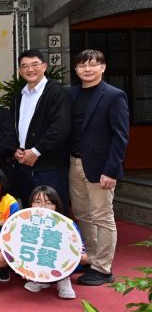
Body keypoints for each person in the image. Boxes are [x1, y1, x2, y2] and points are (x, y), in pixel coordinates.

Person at [68, 49, 129, 286]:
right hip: (74, 163)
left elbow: (120, 136)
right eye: (83, 65)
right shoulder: (71, 94)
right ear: (76, 69)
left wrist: (112, 170)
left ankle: (103, 268)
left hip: (100, 167)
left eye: (93, 64)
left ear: (103, 67)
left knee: (102, 216)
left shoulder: (114, 96)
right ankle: (91, 259)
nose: (88, 69)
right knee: (83, 214)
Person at [12, 49, 71, 206]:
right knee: (29, 213)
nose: (30, 69)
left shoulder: (56, 92)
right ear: (19, 70)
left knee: (53, 213)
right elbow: (15, 127)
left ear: (44, 66)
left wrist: (36, 151)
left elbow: (60, 127)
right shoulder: (19, 96)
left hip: (49, 167)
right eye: (24, 66)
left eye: (34, 64)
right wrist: (16, 149)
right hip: (24, 165)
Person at [22, 185, 85, 299]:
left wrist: (76, 255)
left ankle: (63, 280)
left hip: (61, 262)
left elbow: (83, 255)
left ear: (56, 206)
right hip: (37, 259)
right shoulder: (22, 222)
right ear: (31, 204)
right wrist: (23, 267)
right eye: (37, 201)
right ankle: (38, 278)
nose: (43, 206)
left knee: (76, 254)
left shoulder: (68, 225)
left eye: (49, 203)